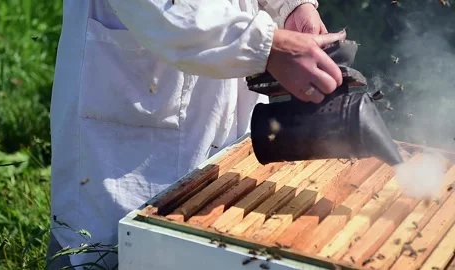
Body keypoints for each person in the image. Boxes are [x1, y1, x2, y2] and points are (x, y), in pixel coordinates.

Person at [47, 0, 346, 268]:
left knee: (220, 240)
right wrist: (267, 47)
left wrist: (291, 6)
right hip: (131, 130)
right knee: (116, 250)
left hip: (226, 112)